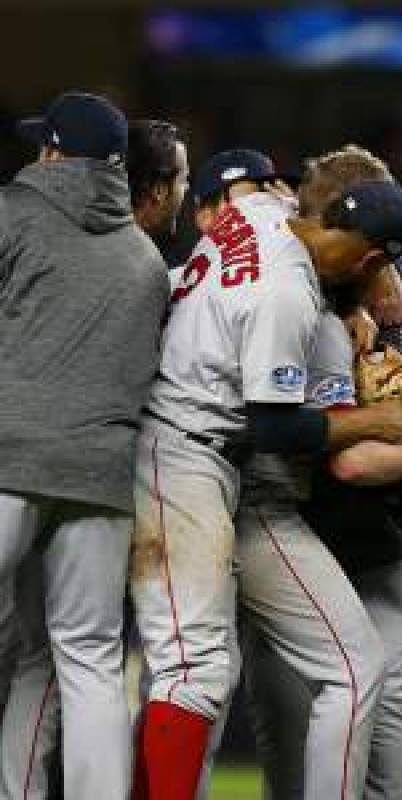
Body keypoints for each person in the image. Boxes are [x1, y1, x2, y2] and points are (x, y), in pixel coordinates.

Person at [129, 161, 402, 799]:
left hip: (226, 470)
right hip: (184, 456)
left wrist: (344, 312)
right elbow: (275, 429)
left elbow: (278, 191)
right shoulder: (286, 294)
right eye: (376, 267)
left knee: (350, 666)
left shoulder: (263, 210)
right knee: (193, 672)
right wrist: (375, 420)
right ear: (370, 257)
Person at [239, 147, 402, 800]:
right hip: (296, 521)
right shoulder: (297, 278)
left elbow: (375, 450)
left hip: (379, 536)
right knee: (280, 706)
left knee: (378, 696)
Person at [0, 116, 193, 800]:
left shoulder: (12, 212)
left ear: (53, 149)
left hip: (8, 461)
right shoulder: (142, 257)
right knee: (88, 659)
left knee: (34, 659)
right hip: (103, 475)